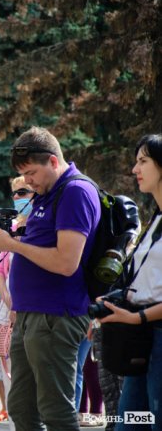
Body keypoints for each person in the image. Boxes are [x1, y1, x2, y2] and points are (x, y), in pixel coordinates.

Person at [0, 127, 101, 430]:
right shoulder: (47, 194)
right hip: (31, 316)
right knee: (21, 408)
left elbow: (66, 262)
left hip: (55, 317)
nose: (28, 182)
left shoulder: (75, 191)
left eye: (32, 173)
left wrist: (11, 245)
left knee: (56, 412)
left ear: (52, 161)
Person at [99, 134, 162, 431]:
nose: (135, 169)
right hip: (142, 338)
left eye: (143, 161)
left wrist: (137, 317)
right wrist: (112, 302)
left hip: (155, 334)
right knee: (129, 422)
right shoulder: (155, 220)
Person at [0, 176, 34, 430]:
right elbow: (0, 268)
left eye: (23, 192)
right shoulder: (15, 228)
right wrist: (7, 297)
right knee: (9, 373)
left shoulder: (37, 229)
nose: (17, 198)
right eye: (14, 193)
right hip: (8, 312)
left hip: (28, 313)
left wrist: (17, 302)